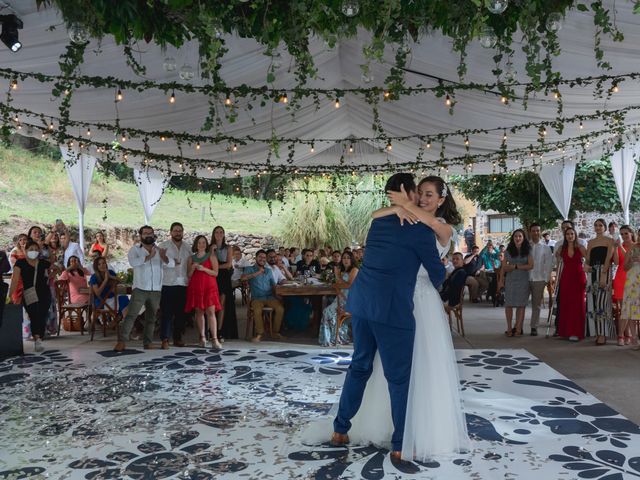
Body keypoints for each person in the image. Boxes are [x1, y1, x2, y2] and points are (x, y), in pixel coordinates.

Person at [328, 173, 464, 465]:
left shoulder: (379, 221)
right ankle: (401, 443)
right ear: (407, 193)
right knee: (399, 377)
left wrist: (401, 207)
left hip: (363, 304)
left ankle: (340, 429)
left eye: (429, 194)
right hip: (395, 308)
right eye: (419, 191)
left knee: (360, 365)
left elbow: (391, 230)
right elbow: (438, 276)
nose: (422, 197)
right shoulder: (418, 231)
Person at [114, 226, 171, 352]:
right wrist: (148, 257)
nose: (148, 235)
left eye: (150, 233)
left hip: (156, 289)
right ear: (141, 236)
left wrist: (164, 257)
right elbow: (133, 263)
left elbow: (171, 264)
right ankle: (122, 341)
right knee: (131, 315)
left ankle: (147, 342)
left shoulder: (159, 250)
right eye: (145, 233)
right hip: (140, 288)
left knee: (151, 317)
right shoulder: (135, 250)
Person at [8, 240, 52, 352]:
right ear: (25, 250)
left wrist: (50, 276)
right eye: (31, 249)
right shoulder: (20, 263)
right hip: (29, 293)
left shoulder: (42, 262)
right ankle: (37, 339)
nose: (34, 252)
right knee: (34, 315)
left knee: (42, 315)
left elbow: (57, 267)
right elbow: (15, 280)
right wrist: (9, 295)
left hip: (44, 293)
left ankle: (39, 338)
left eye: (36, 250)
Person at [158, 222, 192, 349]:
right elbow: (159, 264)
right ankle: (165, 339)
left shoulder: (188, 247)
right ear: (171, 232)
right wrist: (170, 262)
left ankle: (178, 338)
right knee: (166, 313)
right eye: (175, 230)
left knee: (180, 314)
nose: (178, 233)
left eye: (180, 230)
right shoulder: (163, 246)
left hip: (183, 283)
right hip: (168, 283)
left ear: (183, 232)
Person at [185, 235, 222, 349]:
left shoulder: (211, 256)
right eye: (199, 243)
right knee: (199, 312)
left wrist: (204, 269)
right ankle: (202, 337)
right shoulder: (191, 258)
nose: (202, 245)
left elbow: (216, 273)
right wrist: (193, 268)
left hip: (209, 287)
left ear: (206, 245)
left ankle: (214, 339)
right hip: (196, 287)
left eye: (204, 243)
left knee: (211, 312)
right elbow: (189, 275)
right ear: (196, 244)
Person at [241, 250, 285, 342]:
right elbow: (243, 278)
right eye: (260, 257)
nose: (262, 259)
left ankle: (275, 332)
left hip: (269, 297)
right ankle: (260, 334)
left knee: (280, 308)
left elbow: (273, 285)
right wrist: (257, 273)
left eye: (264, 258)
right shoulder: (250, 269)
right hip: (257, 298)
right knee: (257, 310)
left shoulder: (268, 271)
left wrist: (278, 296)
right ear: (256, 258)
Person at [585, 218, 617, 345]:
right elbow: (588, 259)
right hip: (592, 273)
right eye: (596, 225)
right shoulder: (591, 242)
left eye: (600, 225)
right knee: (592, 303)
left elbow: (611, 260)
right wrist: (585, 265)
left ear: (604, 227)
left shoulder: (610, 240)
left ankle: (603, 333)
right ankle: (596, 332)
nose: (598, 227)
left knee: (602, 303)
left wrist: (604, 274)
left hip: (604, 272)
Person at [318, 251, 359, 347]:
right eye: (344, 258)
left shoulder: (354, 269)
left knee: (327, 312)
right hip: (340, 297)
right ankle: (333, 338)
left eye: (348, 258)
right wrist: (337, 278)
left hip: (350, 299)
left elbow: (349, 285)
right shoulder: (342, 270)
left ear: (351, 259)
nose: (345, 260)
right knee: (327, 311)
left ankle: (332, 338)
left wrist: (337, 275)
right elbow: (338, 285)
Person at [500, 229, 533, 336]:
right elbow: (504, 267)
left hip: (523, 280)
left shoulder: (528, 250)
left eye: (520, 236)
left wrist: (515, 266)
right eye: (516, 236)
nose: (518, 238)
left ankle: (518, 329)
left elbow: (531, 265)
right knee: (508, 304)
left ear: (523, 238)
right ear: (513, 238)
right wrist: (501, 281)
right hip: (510, 280)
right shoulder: (508, 251)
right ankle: (509, 328)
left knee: (521, 305)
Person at [557, 227, 587, 341]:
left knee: (577, 304)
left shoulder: (581, 247)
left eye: (572, 234)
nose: (570, 236)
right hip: (566, 277)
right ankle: (565, 331)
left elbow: (588, 259)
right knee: (566, 303)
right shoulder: (561, 248)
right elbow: (557, 260)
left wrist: (587, 267)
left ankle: (576, 331)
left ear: (575, 235)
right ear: (565, 236)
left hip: (578, 277)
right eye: (568, 234)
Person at [211, 226, 237, 341]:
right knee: (211, 304)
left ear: (224, 234)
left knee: (221, 304)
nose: (219, 234)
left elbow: (228, 264)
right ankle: (211, 330)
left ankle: (220, 330)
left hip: (223, 277)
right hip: (212, 277)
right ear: (214, 234)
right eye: (217, 232)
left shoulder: (228, 248)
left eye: (221, 232)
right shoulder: (210, 247)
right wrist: (212, 251)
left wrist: (216, 267)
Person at [528, 223, 553, 336]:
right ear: (530, 232)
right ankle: (518, 326)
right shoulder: (526, 247)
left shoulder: (546, 248)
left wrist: (546, 279)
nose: (536, 233)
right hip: (526, 278)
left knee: (536, 304)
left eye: (537, 230)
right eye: (533, 231)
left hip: (539, 279)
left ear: (540, 231)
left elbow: (548, 264)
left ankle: (534, 326)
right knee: (521, 303)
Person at [613, 226, 635, 345]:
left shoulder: (636, 245)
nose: (624, 236)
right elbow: (616, 262)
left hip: (633, 279)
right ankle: (626, 335)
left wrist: (620, 246)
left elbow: (630, 259)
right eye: (622, 234)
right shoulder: (619, 246)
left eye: (626, 233)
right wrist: (616, 248)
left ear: (631, 233)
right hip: (620, 278)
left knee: (629, 309)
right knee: (624, 310)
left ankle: (623, 335)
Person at [89, 256, 130, 321]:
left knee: (124, 299)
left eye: (103, 263)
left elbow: (120, 281)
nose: (102, 265)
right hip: (101, 302)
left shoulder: (110, 272)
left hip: (112, 299)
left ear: (106, 264)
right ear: (96, 266)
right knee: (124, 300)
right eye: (99, 264)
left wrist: (110, 276)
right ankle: (122, 320)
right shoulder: (94, 277)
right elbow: (98, 293)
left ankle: (123, 319)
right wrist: (105, 280)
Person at [621, 240, 640, 347]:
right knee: (631, 310)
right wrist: (631, 262)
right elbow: (624, 267)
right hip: (632, 282)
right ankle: (634, 338)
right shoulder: (632, 248)